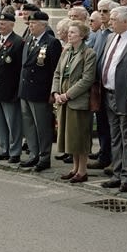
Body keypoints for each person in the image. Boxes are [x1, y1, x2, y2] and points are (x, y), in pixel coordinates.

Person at [99, 6, 127, 192]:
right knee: (114, 136)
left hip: (125, 95)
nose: (110, 22)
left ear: (126, 22)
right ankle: (116, 173)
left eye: (114, 19)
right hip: (108, 93)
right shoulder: (110, 37)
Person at [52, 21, 97, 183]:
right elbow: (57, 73)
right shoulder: (66, 51)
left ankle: (82, 170)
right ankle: (74, 168)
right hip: (63, 99)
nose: (69, 35)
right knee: (69, 136)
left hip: (78, 100)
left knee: (80, 136)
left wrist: (67, 95)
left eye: (72, 33)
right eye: (69, 32)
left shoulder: (88, 53)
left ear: (82, 36)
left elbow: (87, 79)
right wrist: (56, 92)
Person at [18, 11, 62, 170]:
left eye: (34, 23)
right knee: (29, 125)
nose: (30, 26)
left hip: (41, 91)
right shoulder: (29, 40)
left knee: (42, 126)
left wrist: (52, 92)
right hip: (26, 90)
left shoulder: (51, 43)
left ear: (43, 25)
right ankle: (33, 154)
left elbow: (54, 70)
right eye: (29, 23)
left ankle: (44, 157)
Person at [0, 11, 24, 162]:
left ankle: (15, 151)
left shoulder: (18, 42)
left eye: (3, 24)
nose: (0, 26)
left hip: (10, 89)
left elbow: (19, 69)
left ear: (12, 25)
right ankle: (3, 148)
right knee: (0, 122)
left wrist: (17, 90)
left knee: (13, 122)